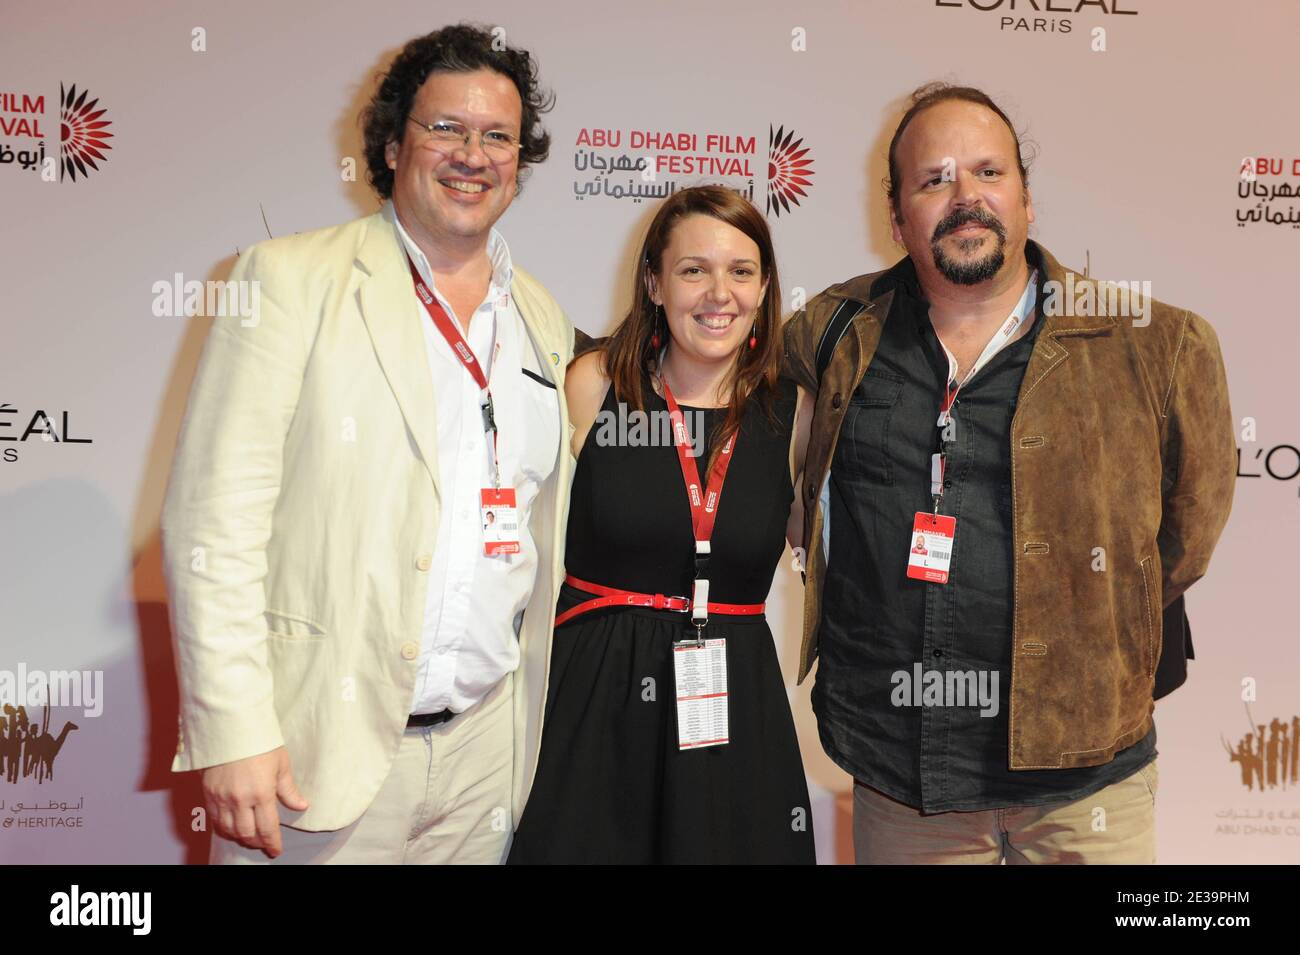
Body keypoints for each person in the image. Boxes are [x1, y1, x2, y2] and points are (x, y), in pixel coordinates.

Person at [783, 83, 1235, 864]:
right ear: (896, 218)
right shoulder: (831, 333)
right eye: (935, 180)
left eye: (989, 173)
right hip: (902, 779)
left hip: (1089, 785)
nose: (966, 199)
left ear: (1027, 200)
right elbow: (703, 365)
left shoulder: (1158, 346)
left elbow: (1183, 544)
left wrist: (1089, 629)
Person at [162, 24, 581, 864]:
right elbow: (213, 523)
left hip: (484, 756)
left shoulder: (541, 318)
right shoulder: (287, 280)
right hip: (318, 750)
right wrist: (234, 728)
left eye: (497, 136)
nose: (473, 154)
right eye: (445, 129)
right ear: (392, 145)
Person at [508, 186, 816, 864]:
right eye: (692, 269)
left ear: (765, 287)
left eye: (741, 271)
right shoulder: (592, 386)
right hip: (594, 706)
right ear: (653, 281)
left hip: (732, 709)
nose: (719, 292)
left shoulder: (794, 416)